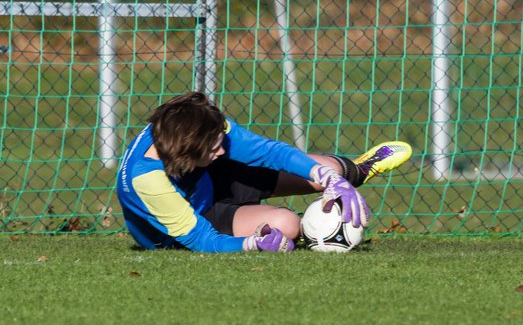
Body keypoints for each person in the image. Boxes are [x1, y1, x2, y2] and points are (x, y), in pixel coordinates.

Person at [116, 91, 412, 252]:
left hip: (207, 177)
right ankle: (318, 230)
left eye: (221, 141)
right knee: (287, 225)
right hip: (196, 220)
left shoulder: (199, 124)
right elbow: (201, 240)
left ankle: (356, 170)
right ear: (187, 152)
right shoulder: (148, 180)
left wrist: (330, 178)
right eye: (214, 148)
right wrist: (253, 244)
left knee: (326, 169)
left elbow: (271, 152)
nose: (223, 150)